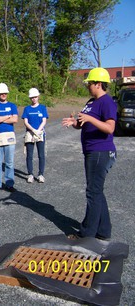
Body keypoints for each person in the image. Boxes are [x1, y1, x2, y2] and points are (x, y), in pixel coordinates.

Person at [62, 67, 117, 241]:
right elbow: (83, 123)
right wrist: (75, 123)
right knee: (97, 191)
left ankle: (86, 234)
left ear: (98, 84)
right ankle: (104, 231)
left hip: (100, 151)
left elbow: (109, 127)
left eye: (90, 84)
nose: (88, 86)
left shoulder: (106, 102)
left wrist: (91, 119)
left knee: (93, 192)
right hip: (91, 151)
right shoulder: (91, 102)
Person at [0, 83, 18, 193]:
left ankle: (9, 184)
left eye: (5, 93)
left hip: (9, 136)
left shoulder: (12, 106)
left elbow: (15, 119)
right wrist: (7, 116)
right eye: (1, 93)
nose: (3, 94)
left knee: (9, 162)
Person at [22, 88, 48, 183]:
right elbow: (25, 121)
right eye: (32, 97)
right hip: (30, 133)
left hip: (40, 133)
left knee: (41, 155)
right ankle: (30, 174)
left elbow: (44, 120)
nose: (34, 99)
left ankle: (41, 174)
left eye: (35, 97)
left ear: (38, 97)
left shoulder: (42, 108)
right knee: (29, 155)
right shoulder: (27, 109)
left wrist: (38, 130)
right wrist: (33, 130)